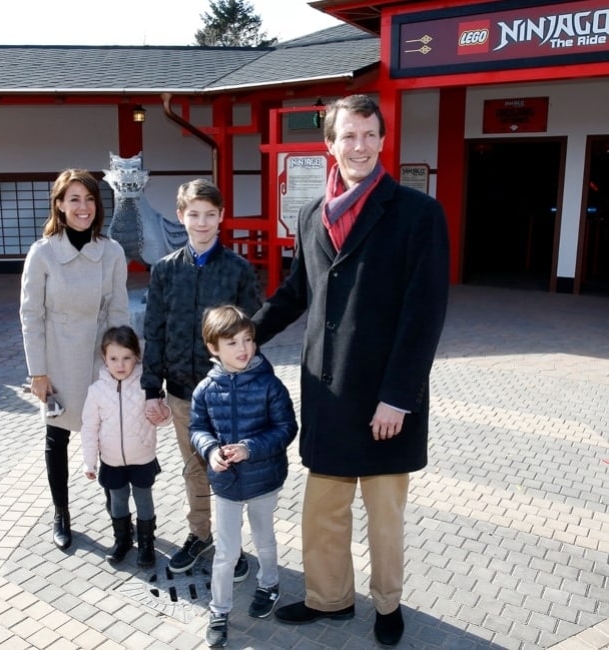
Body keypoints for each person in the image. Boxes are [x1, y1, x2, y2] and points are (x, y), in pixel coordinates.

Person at [251, 94, 450, 647]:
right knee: (323, 515)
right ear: (330, 145)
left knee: (384, 519)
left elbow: (424, 313)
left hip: (386, 397)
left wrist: (399, 396)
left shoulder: (418, 213)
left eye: (368, 134)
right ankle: (329, 599)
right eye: (347, 136)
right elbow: (297, 292)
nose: (358, 145)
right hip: (328, 392)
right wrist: (246, 335)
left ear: (382, 141)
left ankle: (387, 605)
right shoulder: (312, 213)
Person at [141, 178, 262, 580]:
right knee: (195, 467)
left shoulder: (239, 270)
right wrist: (150, 389)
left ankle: (232, 543)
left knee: (228, 467)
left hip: (225, 392)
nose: (202, 222)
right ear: (181, 217)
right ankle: (199, 533)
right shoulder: (164, 271)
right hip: (179, 391)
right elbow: (154, 330)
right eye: (194, 214)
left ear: (221, 217)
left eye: (210, 214)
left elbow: (251, 335)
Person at [20, 169, 129, 551]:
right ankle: (61, 511)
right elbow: (31, 315)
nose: (83, 207)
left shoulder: (112, 251)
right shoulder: (43, 253)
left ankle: (116, 510)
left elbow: (118, 310)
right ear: (60, 206)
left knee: (108, 438)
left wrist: (125, 364)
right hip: (58, 358)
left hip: (101, 357)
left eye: (89, 199)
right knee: (58, 438)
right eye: (74, 199)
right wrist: (38, 373)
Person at [189, 305, 297, 648]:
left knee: (265, 539)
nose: (243, 348)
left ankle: (269, 584)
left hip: (264, 479)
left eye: (247, 339)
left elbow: (286, 427)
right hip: (226, 485)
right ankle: (219, 610)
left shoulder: (269, 384)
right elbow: (198, 428)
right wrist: (210, 451)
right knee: (226, 552)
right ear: (213, 348)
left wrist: (250, 447)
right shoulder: (205, 389)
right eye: (232, 342)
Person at [81, 325, 170, 568]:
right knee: (117, 501)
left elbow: (165, 415)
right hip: (111, 461)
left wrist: (163, 414)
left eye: (126, 358)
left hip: (142, 457)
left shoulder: (146, 384)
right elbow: (89, 428)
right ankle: (122, 541)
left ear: (137, 357)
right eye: (113, 358)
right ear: (104, 359)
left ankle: (147, 544)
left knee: (144, 500)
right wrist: (90, 461)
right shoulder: (96, 391)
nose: (120, 364)